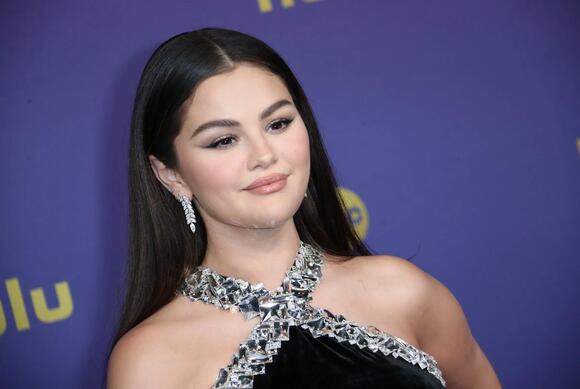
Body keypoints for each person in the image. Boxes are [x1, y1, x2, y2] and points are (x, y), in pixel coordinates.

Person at [106, 27, 501, 388]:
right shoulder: (151, 362)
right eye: (224, 140)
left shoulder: (404, 291)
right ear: (170, 174)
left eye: (277, 123)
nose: (264, 155)